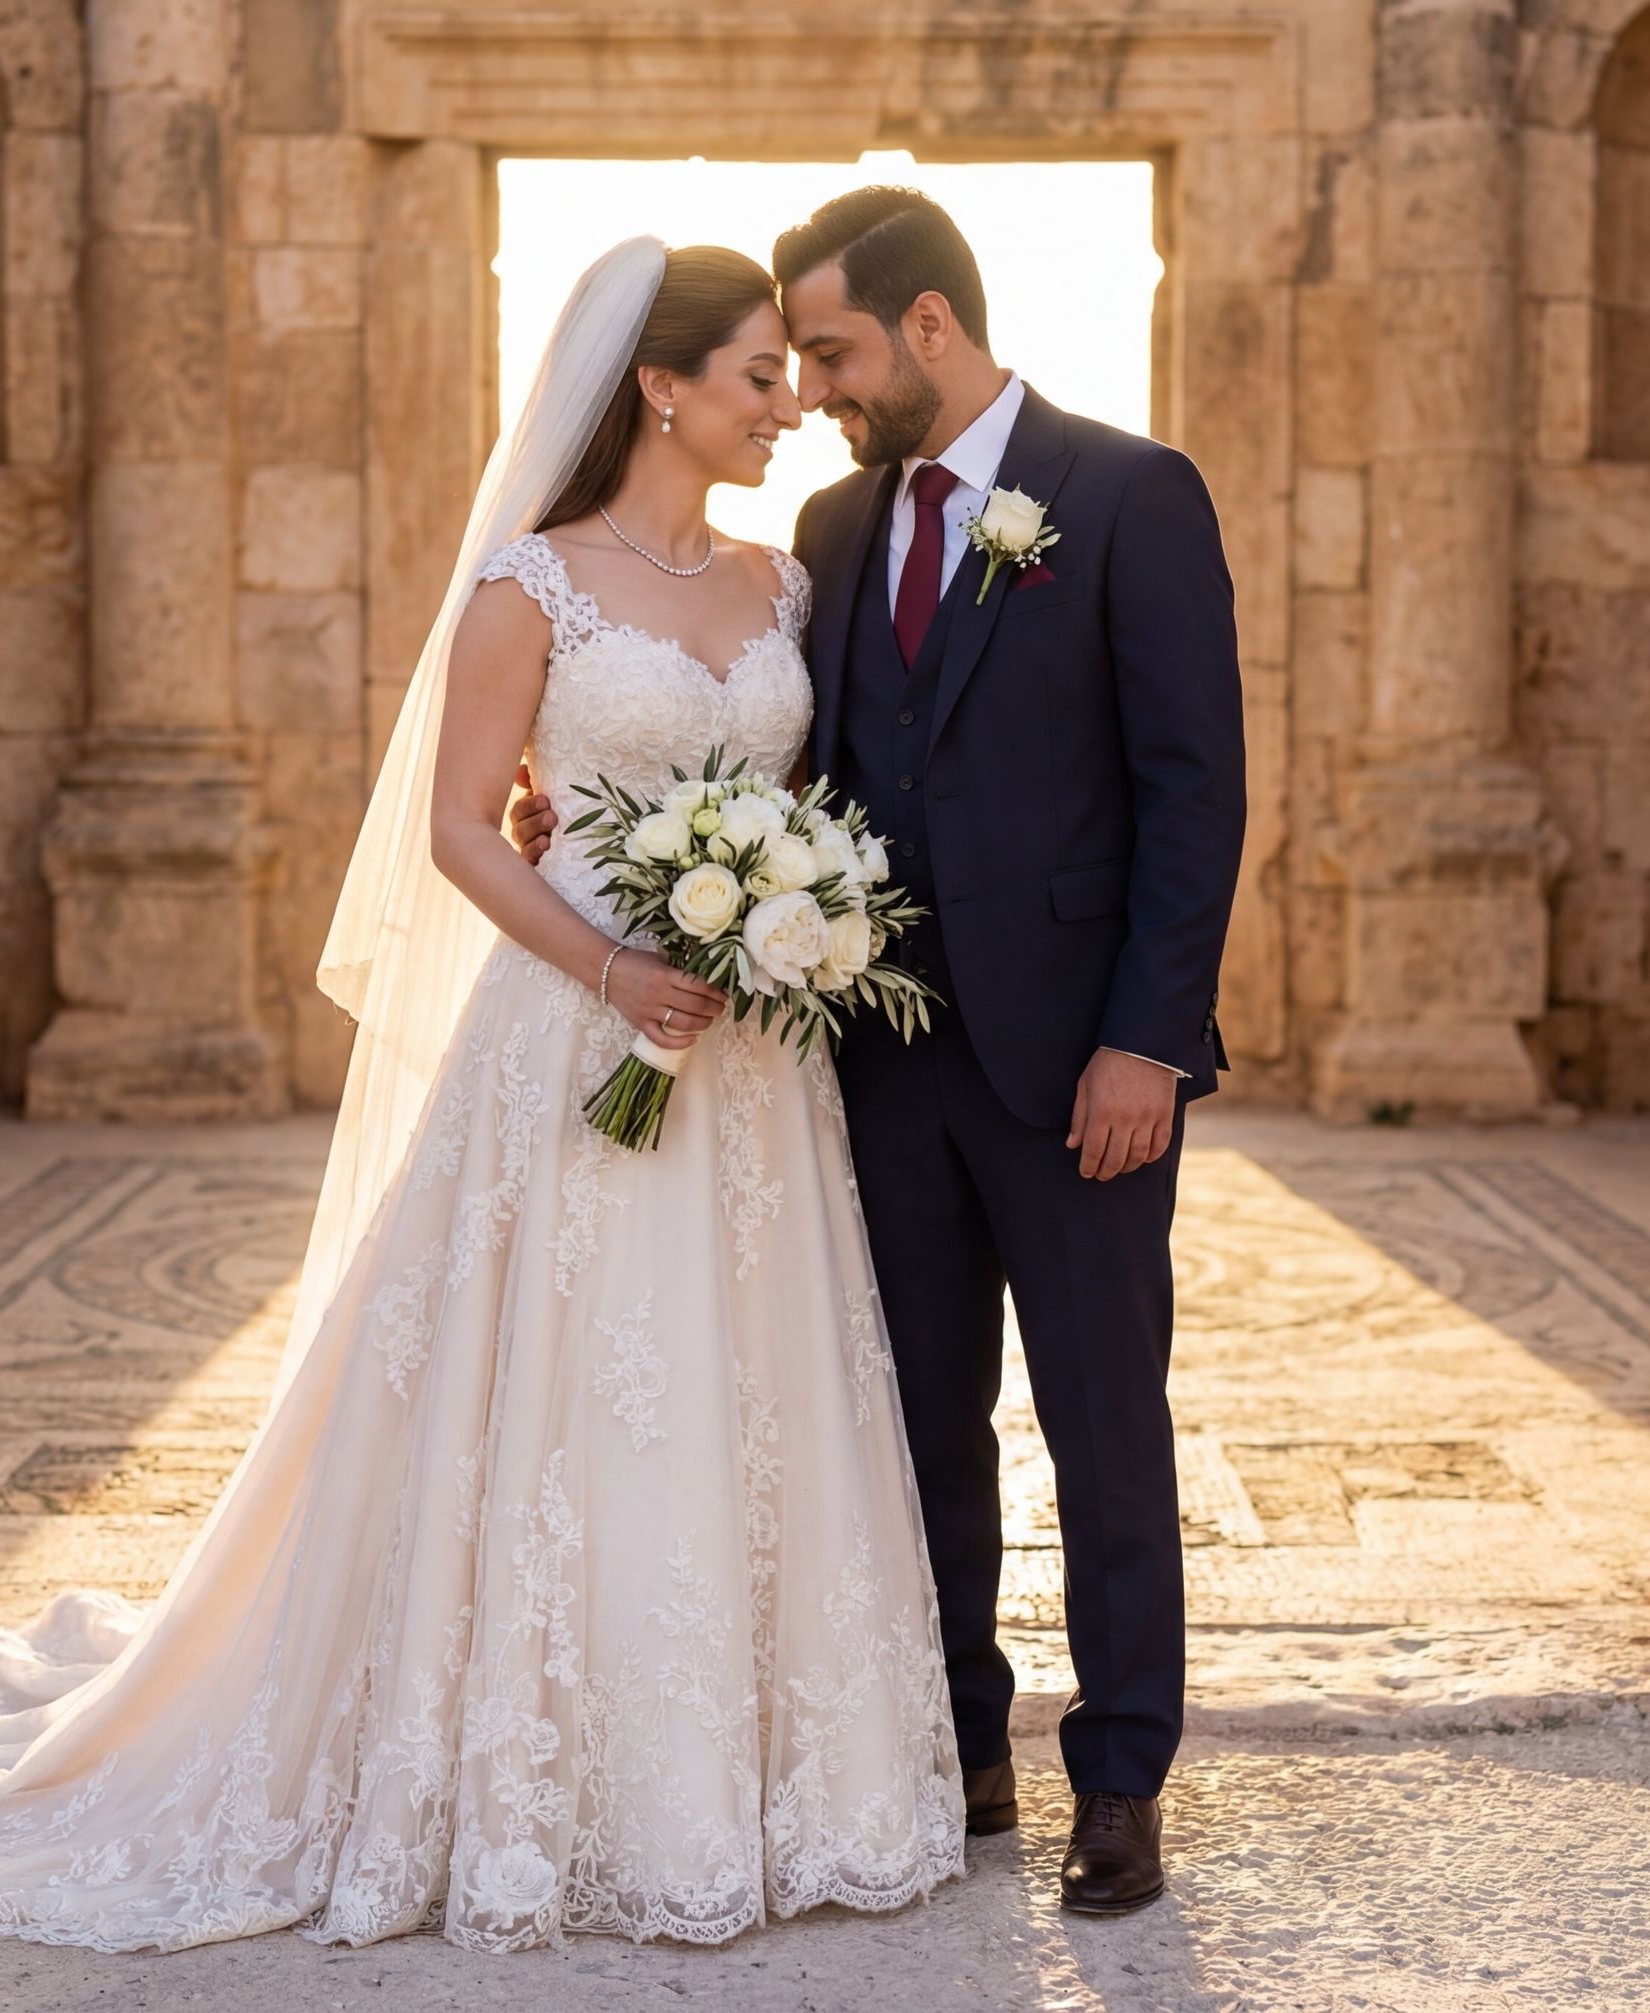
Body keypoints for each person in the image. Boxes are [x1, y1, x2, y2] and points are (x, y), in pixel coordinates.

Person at [0, 240, 965, 1954]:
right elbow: (450, 831)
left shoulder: (788, 591)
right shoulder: (530, 585)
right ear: (661, 385)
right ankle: (537, 1779)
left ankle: (766, 1776)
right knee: (567, 1393)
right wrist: (615, 964)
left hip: (752, 1071)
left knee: (747, 1391)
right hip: (578, 1041)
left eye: (795, 376)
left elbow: (804, 798)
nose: (790, 406)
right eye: (758, 377)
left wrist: (784, 921)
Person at [514, 188, 1244, 1915]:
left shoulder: (1131, 495)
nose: (815, 395)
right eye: (788, 364)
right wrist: (594, 823)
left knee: (1104, 1424)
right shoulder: (827, 535)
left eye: (832, 354)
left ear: (929, 327)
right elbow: (767, 761)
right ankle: (962, 1746)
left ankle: (1123, 1776)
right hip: (871, 1062)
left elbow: (1192, 792)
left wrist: (1149, 1038)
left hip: (1082, 1071)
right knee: (913, 1424)